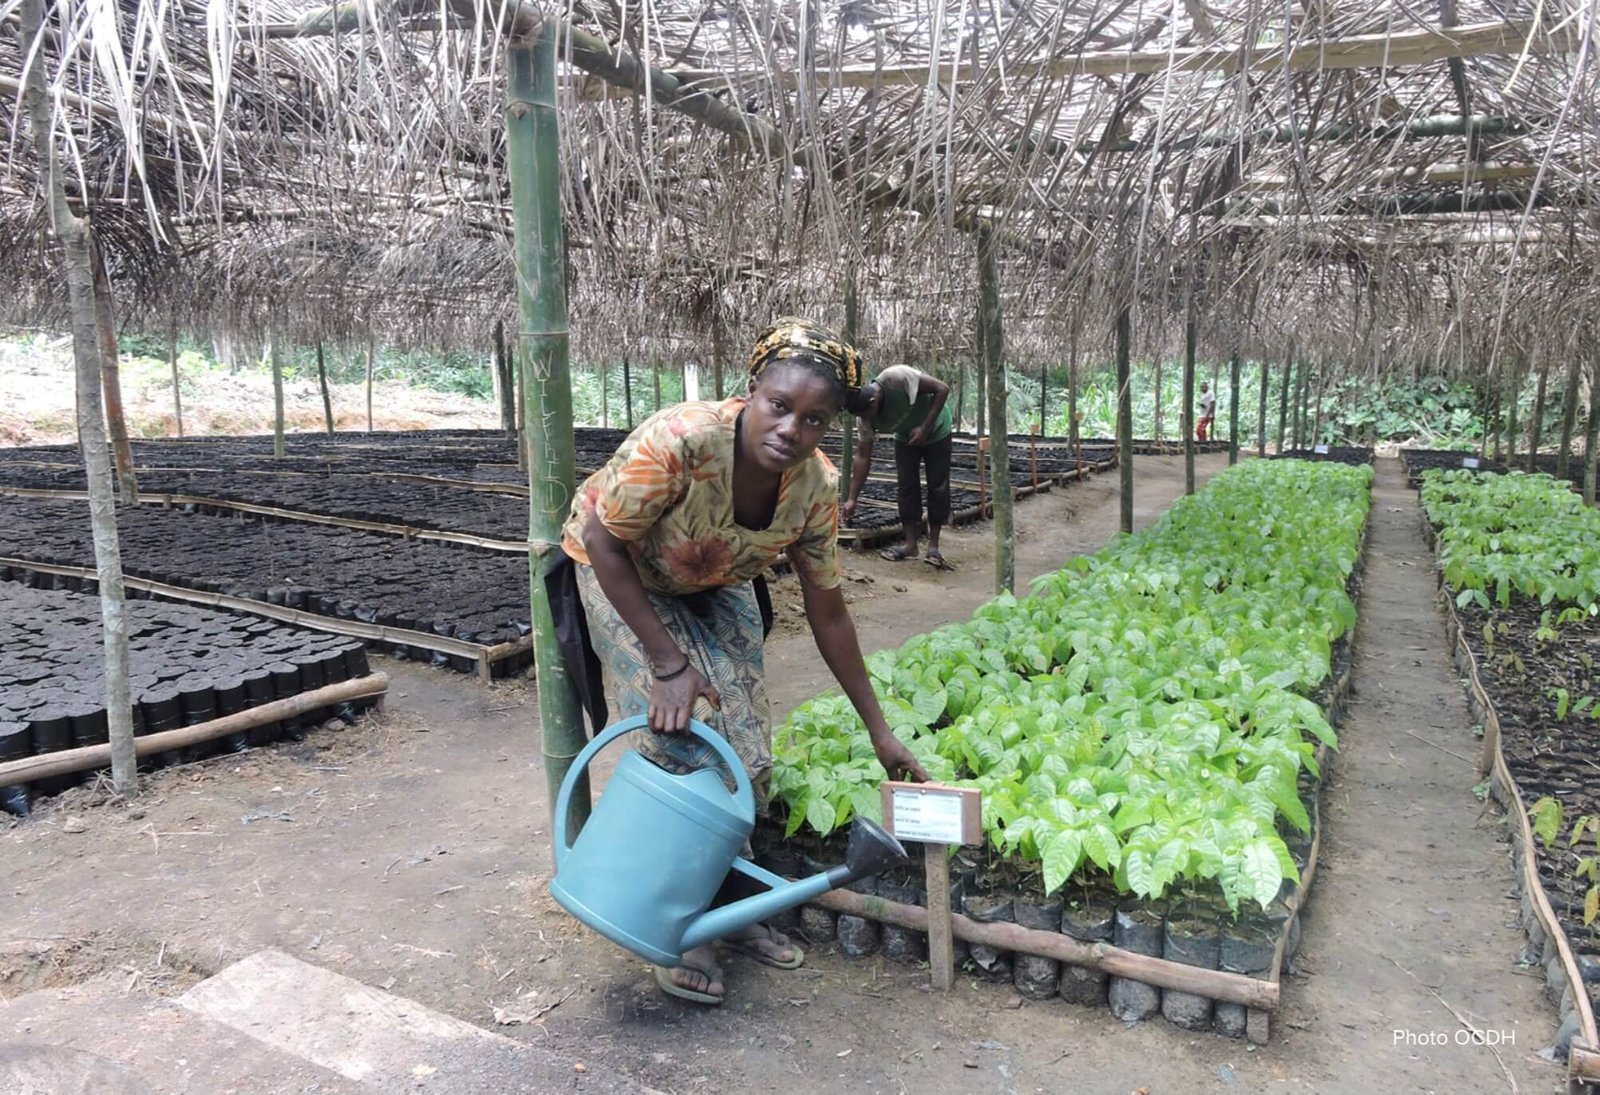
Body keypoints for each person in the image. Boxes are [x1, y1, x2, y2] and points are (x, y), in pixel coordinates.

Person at [557, 317, 929, 1007]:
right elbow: (605, 541)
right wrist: (668, 663)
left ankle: (730, 899)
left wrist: (878, 728)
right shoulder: (680, 439)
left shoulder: (813, 489)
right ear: (752, 390)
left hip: (715, 575)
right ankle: (679, 924)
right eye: (780, 405)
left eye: (814, 419)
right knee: (678, 737)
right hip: (623, 568)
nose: (792, 427)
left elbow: (829, 608)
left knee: (748, 753)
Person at [842, 364, 954, 569]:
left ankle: (934, 546)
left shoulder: (897, 378)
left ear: (873, 402)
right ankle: (911, 545)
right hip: (905, 438)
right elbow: (863, 456)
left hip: (937, 431)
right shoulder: (864, 418)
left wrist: (925, 427)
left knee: (937, 486)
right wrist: (852, 498)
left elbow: (942, 389)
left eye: (868, 414)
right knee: (906, 487)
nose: (867, 419)